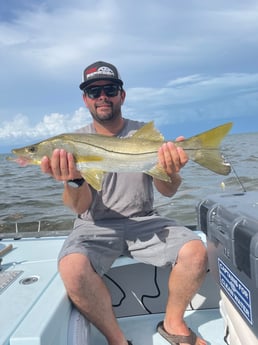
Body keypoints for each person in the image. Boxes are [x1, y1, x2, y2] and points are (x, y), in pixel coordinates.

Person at [41, 61, 208, 345]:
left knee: (196, 251)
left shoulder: (145, 134)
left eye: (110, 89)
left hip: (145, 220)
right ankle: (117, 340)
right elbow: (80, 208)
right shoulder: (72, 143)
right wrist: (75, 180)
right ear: (85, 99)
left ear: (122, 95)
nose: (102, 96)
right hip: (94, 225)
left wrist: (170, 170)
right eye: (94, 91)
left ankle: (173, 323)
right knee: (72, 267)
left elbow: (167, 192)